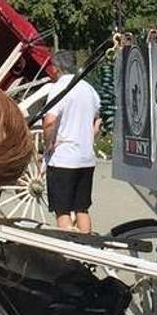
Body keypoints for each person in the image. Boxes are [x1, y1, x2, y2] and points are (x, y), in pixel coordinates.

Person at [40, 50, 102, 234]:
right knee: (82, 208)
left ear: (55, 68)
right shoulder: (89, 89)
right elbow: (97, 121)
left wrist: (48, 143)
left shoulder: (59, 88)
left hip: (64, 159)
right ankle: (87, 249)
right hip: (86, 158)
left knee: (63, 210)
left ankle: (69, 255)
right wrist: (89, 138)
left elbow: (50, 120)